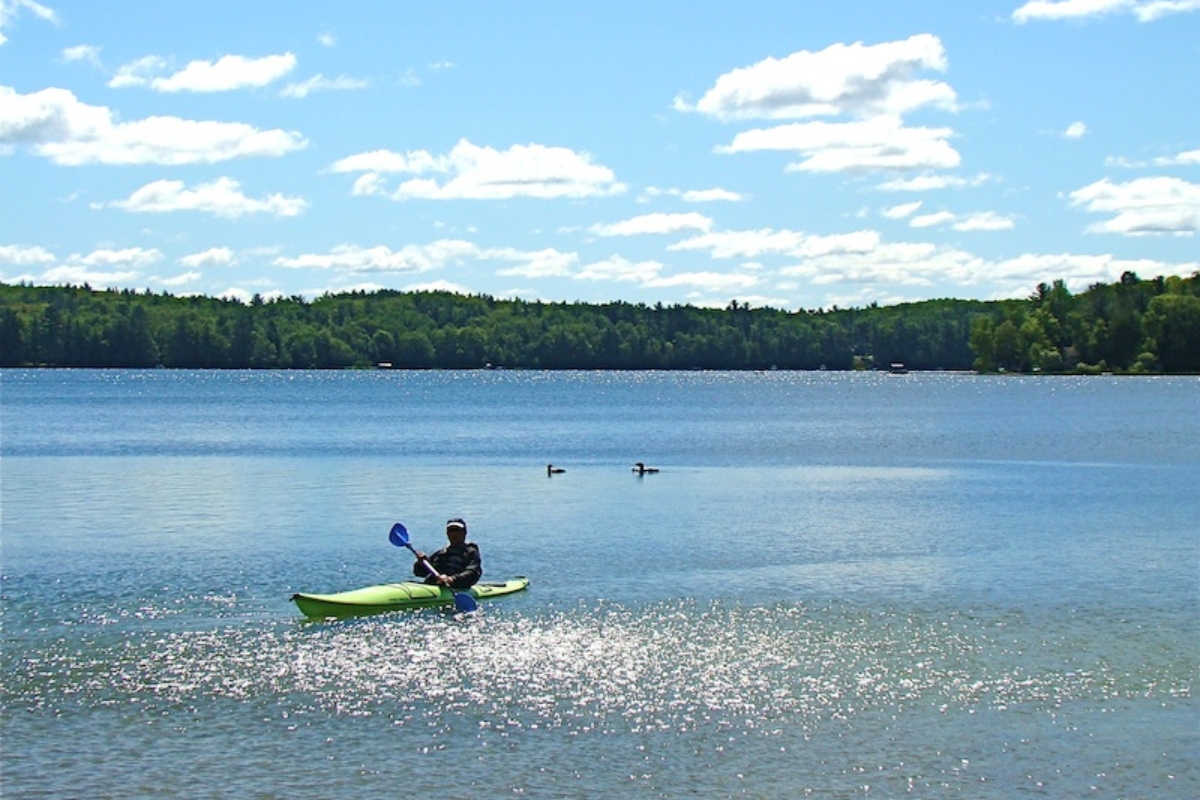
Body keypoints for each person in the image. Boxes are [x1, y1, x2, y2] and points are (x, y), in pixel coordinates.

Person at [412, 517, 482, 589]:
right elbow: (419, 573)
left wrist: (451, 579)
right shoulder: (440, 554)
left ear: (464, 532)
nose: (454, 534)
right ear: (447, 533)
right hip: (434, 587)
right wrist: (422, 562)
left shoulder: (470, 553)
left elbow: (473, 572)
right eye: (451, 530)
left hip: (457, 587)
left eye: (457, 530)